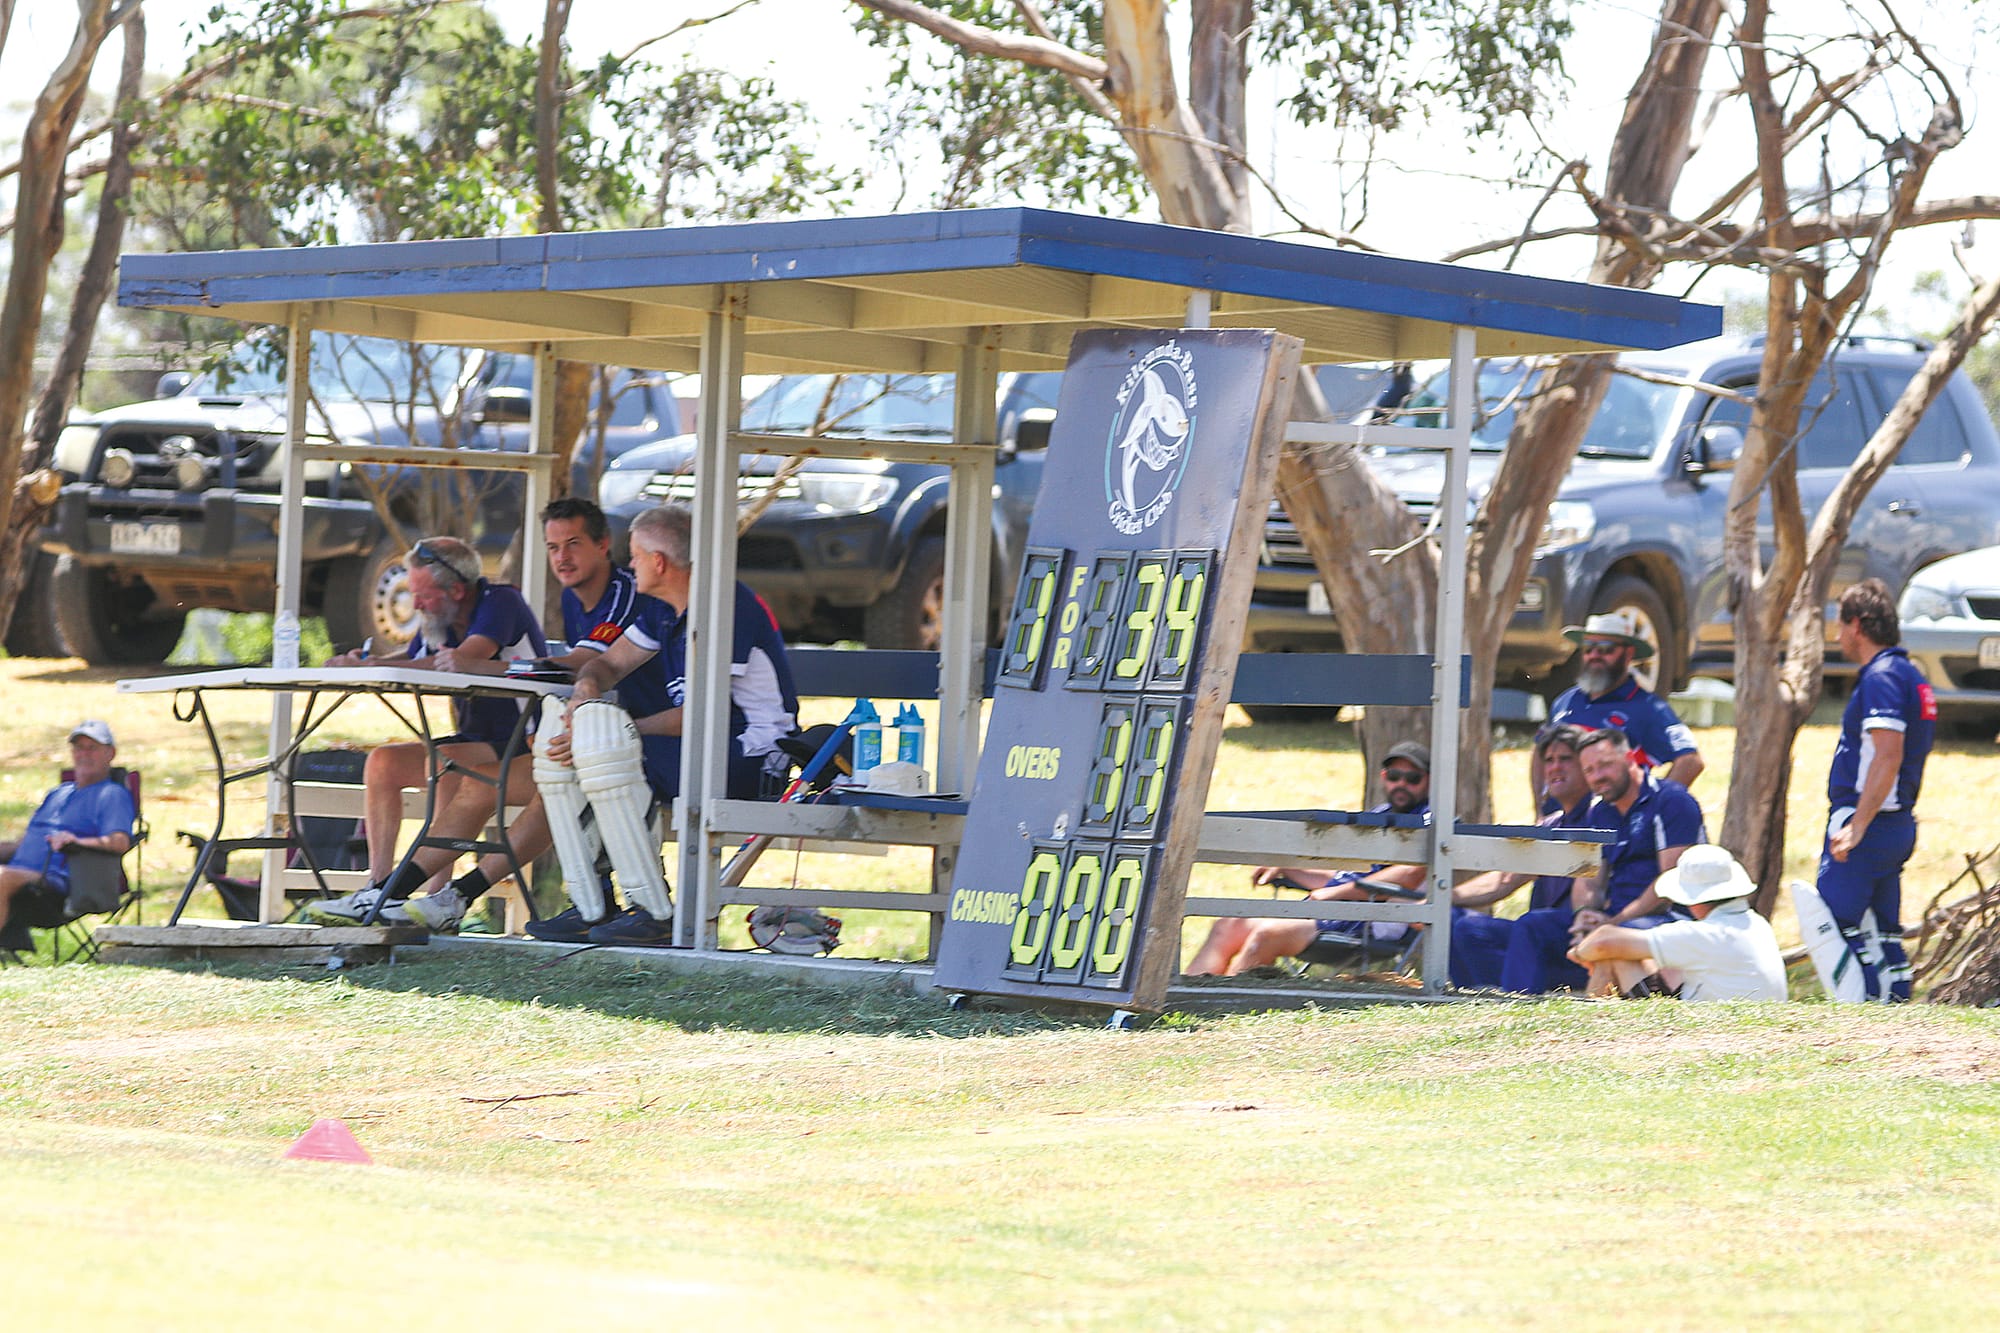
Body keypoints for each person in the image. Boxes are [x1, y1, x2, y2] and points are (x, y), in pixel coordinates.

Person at [329, 500, 671, 933]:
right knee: (473, 780)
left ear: (605, 545)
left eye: (573, 544)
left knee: (551, 780)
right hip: (581, 736)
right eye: (552, 547)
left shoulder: (626, 592)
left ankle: (444, 897)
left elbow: (584, 664)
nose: (561, 557)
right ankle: (390, 894)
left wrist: (493, 668)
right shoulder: (572, 597)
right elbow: (576, 666)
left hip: (628, 740)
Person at [536, 503, 800, 946]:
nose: (630, 564)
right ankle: (592, 905)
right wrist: (584, 697)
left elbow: (705, 713)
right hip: (703, 746)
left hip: (756, 756)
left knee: (609, 750)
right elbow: (606, 664)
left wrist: (613, 730)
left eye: (635, 556)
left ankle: (653, 911)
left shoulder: (724, 606)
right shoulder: (662, 609)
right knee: (558, 758)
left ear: (659, 561)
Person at [306, 536, 546, 923]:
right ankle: (380, 889)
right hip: (477, 740)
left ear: (456, 589)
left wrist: (373, 669)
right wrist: (361, 662)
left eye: (424, 595)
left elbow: (464, 661)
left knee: (445, 761)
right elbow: (412, 658)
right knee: (383, 762)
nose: (415, 605)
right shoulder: (441, 615)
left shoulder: (501, 601)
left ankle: (434, 900)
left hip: (524, 740)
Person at [1183, 741, 1432, 977]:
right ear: (1384, 777)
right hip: (1334, 912)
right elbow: (1343, 878)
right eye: (1394, 776)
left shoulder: (1429, 819)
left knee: (1267, 934)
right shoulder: (1381, 814)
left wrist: (1335, 894)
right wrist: (1287, 868)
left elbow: (1410, 874)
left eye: (1412, 779)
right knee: (1228, 925)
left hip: (1365, 924)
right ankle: (1190, 994)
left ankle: (1228, 999)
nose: (1402, 784)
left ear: (1429, 781)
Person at [1499, 726, 1704, 994]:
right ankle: (1520, 1006)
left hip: (1667, 918)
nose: (1598, 777)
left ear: (1630, 758)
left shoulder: (1671, 801)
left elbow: (1669, 883)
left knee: (1613, 938)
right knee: (1532, 925)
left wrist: (1613, 922)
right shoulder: (1600, 812)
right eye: (1589, 770)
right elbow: (1590, 880)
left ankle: (1606, 1006)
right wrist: (1583, 916)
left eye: (1605, 765)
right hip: (1616, 920)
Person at [1815, 577, 1935, 1003]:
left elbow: (1888, 755)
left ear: (1858, 625)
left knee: (1833, 923)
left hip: (1871, 823)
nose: (1837, 635)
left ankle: (1860, 1019)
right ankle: (1895, 1011)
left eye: (1840, 624)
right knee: (1885, 933)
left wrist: (1857, 825)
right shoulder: (1911, 675)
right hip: (1896, 823)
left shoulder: (1882, 677)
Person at [1447, 723, 1594, 990]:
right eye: (1549, 761)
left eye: (1565, 759)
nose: (1554, 768)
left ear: (1586, 765)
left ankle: (1517, 1001)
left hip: (1579, 939)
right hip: (1536, 938)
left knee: (1531, 924)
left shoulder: (1602, 817)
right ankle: (1475, 1003)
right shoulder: (1551, 824)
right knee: (1464, 927)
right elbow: (1505, 880)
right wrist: (1442, 897)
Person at [1568, 844, 1787, 1001]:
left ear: (1692, 901)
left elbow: (1603, 942)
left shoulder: (1704, 935)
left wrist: (1578, 953)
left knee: (1610, 956)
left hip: (1712, 1027)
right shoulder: (1757, 924)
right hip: (1737, 1015)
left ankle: (1586, 1027)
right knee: (1618, 956)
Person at [1534, 611, 1703, 806]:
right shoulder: (1565, 701)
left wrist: (1651, 810)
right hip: (1557, 827)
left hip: (1609, 832)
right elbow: (1540, 751)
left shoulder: (1648, 708)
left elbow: (1690, 761)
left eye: (1606, 648)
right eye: (1588, 647)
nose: (1594, 655)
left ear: (1628, 653)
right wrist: (1539, 806)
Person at [0, 722, 137, 952]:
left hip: (57, 884)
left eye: (92, 748)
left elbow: (119, 842)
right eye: (78, 748)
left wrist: (75, 841)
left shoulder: (112, 795)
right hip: (18, 872)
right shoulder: (58, 793)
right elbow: (25, 844)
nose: (84, 754)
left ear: (110, 754)